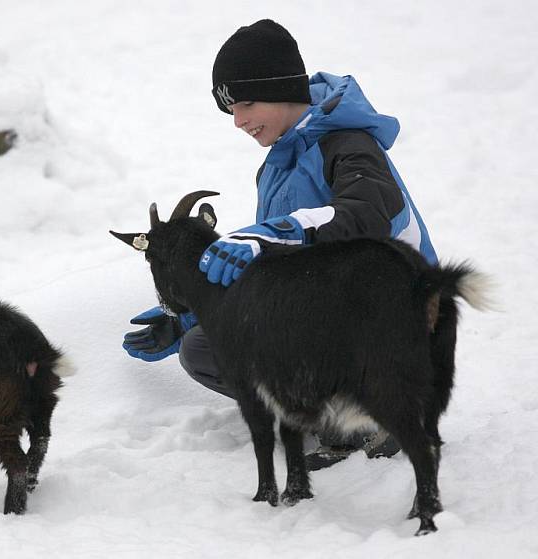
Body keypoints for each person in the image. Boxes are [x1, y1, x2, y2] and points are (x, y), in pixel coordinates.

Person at [123, 19, 437, 470]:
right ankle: (338, 424)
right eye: (230, 111)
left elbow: (367, 212)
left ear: (285, 89)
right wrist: (191, 311)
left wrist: (279, 231)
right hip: (336, 316)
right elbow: (274, 278)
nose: (238, 122)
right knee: (204, 347)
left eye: (247, 103)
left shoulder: (349, 144)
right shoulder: (276, 166)